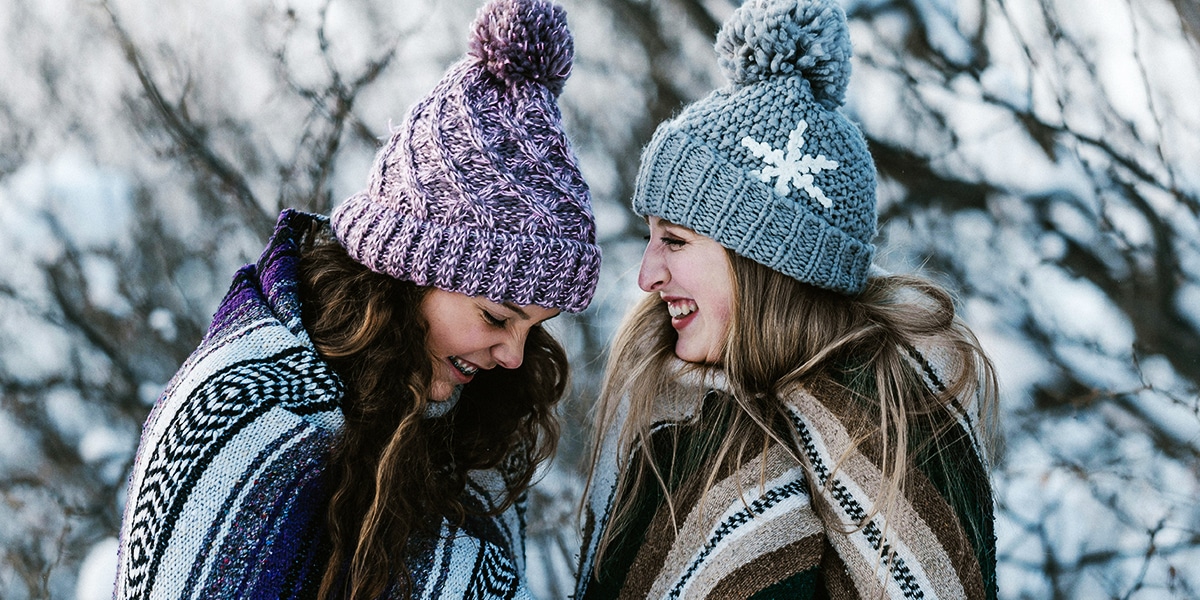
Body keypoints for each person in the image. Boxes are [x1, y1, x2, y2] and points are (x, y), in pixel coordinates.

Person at [113, 0, 600, 598]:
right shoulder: (240, 419)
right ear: (408, 273)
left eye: (535, 327)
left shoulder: (470, 432)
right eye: (498, 317)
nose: (515, 356)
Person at [575, 0, 999, 598]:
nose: (646, 276)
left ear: (764, 263)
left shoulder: (908, 439)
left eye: (674, 240)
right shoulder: (671, 423)